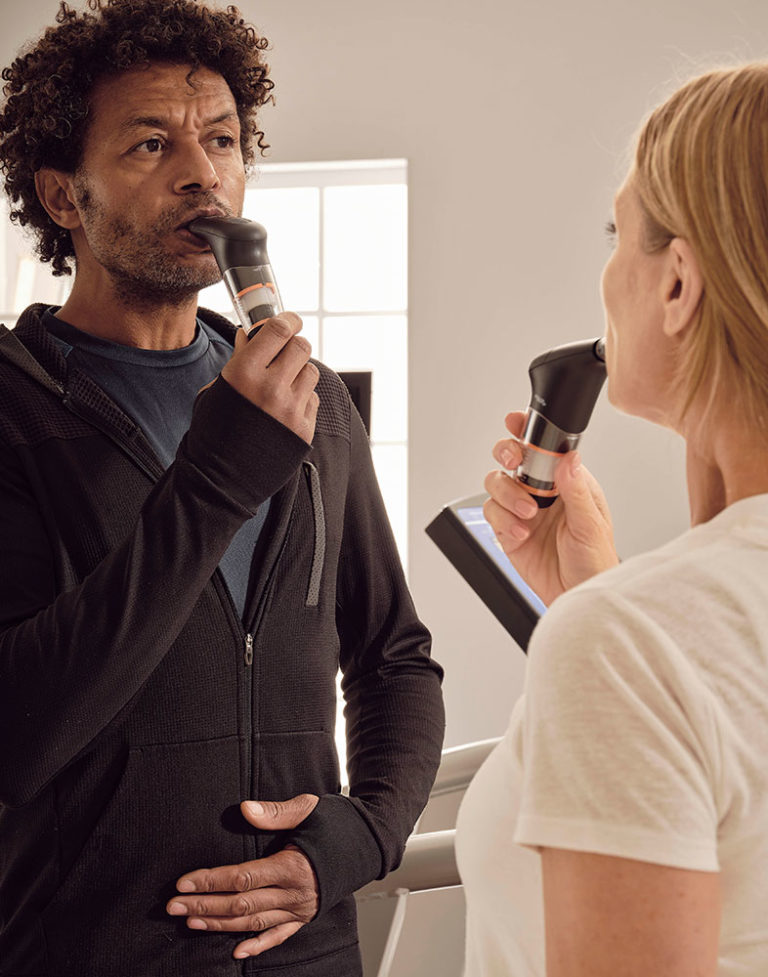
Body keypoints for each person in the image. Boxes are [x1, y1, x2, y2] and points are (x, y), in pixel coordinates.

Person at [0, 2, 445, 974]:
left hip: (311, 953)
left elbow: (395, 658)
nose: (204, 172)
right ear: (64, 198)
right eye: (152, 143)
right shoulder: (13, 408)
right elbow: (17, 732)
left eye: (223, 140)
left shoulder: (311, 400)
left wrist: (363, 838)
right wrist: (215, 479)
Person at [456, 62, 768, 976]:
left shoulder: (628, 642)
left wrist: (608, 621)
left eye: (616, 233)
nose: (605, 274)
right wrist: (598, 594)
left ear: (678, 284)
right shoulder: (638, 632)